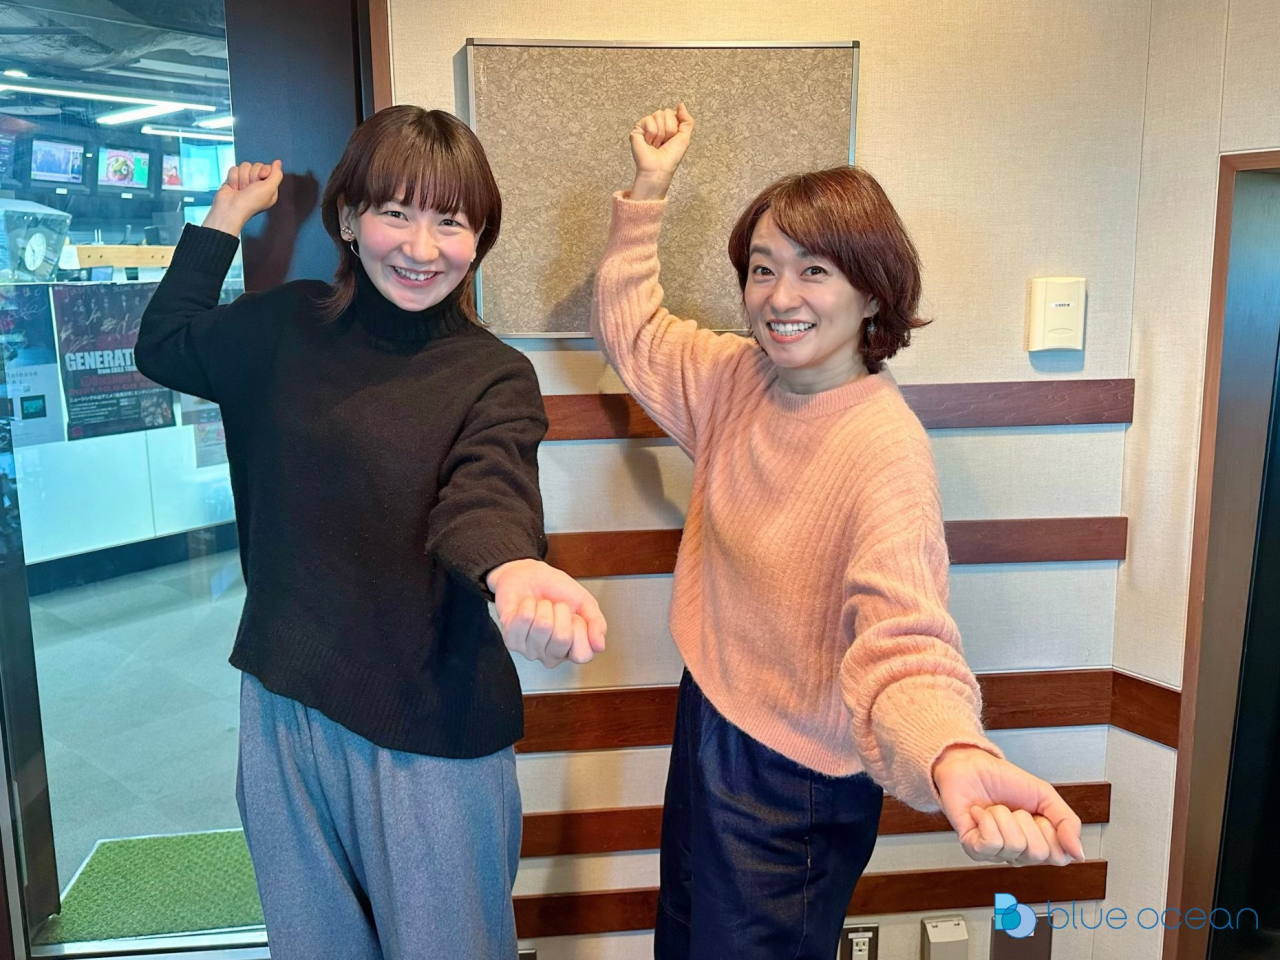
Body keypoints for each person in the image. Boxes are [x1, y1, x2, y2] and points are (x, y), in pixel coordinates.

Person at [591, 104, 1086, 960]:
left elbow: (906, 641)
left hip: (796, 781)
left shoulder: (883, 447)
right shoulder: (738, 379)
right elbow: (631, 330)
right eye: (762, 269)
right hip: (711, 715)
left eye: (813, 270)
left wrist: (948, 751)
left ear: (872, 292)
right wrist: (649, 188)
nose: (779, 297)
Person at [136, 105, 606, 960]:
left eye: (452, 222)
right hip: (284, 702)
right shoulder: (284, 327)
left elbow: (486, 497)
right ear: (350, 220)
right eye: (396, 212)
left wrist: (512, 568)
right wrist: (226, 217)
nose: (423, 248)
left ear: (479, 239)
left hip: (429, 726)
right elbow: (163, 344)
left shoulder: (493, 375)